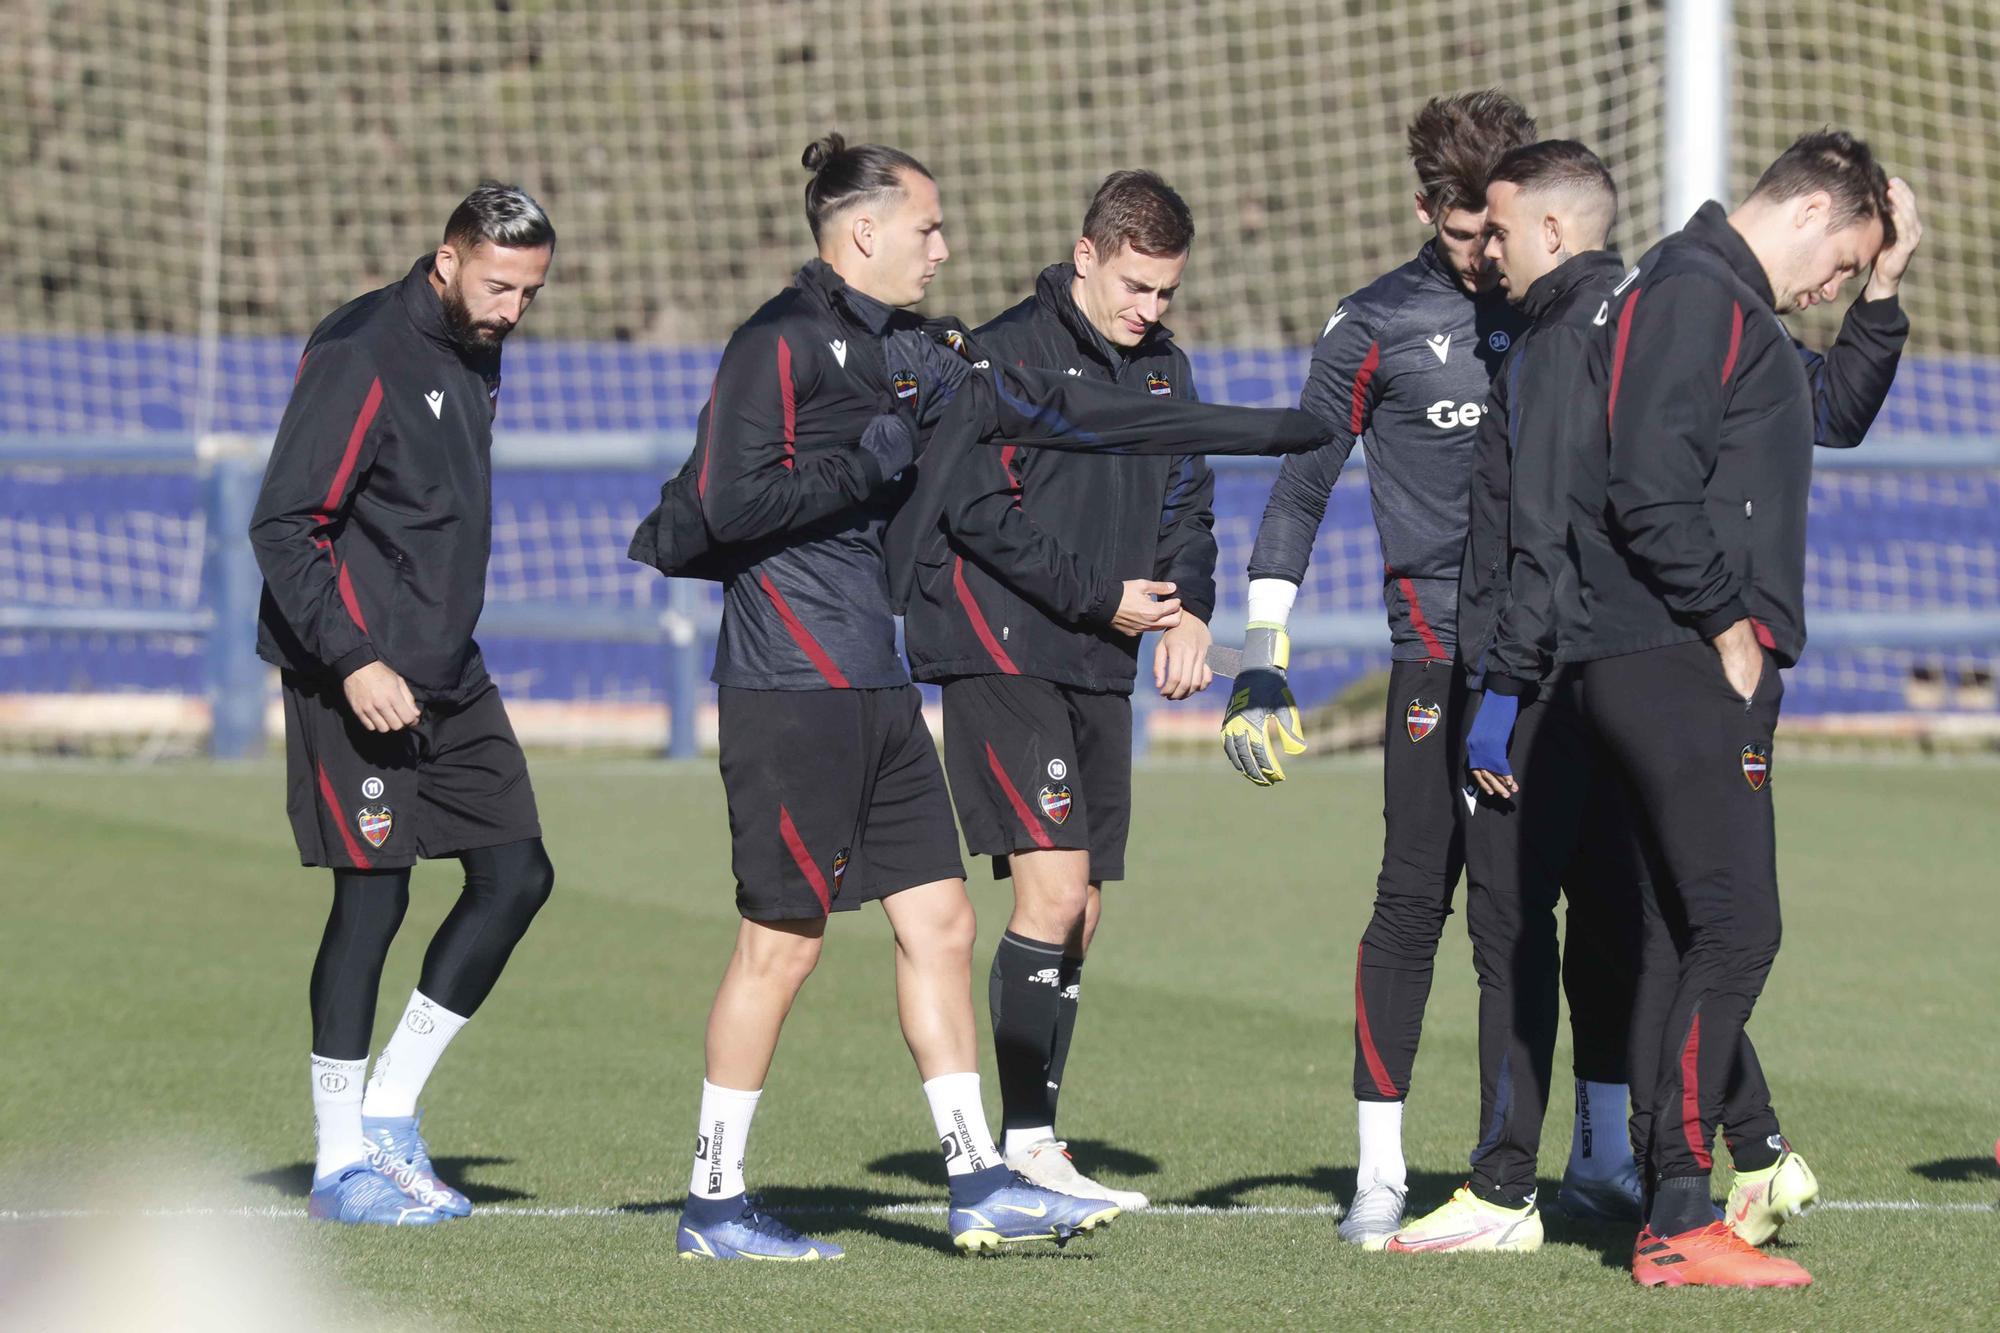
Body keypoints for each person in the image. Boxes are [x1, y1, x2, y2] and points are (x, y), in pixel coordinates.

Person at [667, 135, 1133, 1261]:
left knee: (941, 920)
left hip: (875, 681)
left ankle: (978, 1181)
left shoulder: (919, 348)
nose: (943, 244)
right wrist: (864, 462)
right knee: (780, 943)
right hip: (788, 683)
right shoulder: (775, 342)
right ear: (862, 231)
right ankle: (713, 1203)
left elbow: (986, 445)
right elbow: (727, 503)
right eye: (926, 225)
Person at [1565, 131, 1920, 1288]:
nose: (1831, 287)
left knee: (1683, 929)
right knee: (1736, 926)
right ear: (1810, 207)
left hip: (1672, 655)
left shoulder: (1733, 309)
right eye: (1843, 258)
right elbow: (1642, 480)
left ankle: (1679, 1203)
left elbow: (1835, 412)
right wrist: (1725, 623)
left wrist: (1886, 287)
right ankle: (1676, 1209)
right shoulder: (1689, 291)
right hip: (1672, 654)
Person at [1224, 90, 1535, 1246]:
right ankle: (1378, 1172)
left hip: (1549, 659)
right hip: (1435, 660)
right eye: (1463, 234)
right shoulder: (1374, 323)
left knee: (1553, 913)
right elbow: (1301, 481)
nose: (1482, 254)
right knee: (1412, 903)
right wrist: (1262, 655)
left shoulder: (1566, 310)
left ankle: (1582, 1149)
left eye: (1496, 229)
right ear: (1427, 211)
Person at [904, 170, 1217, 1210]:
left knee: (1081, 906)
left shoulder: (1165, 372)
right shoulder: (1000, 359)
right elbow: (978, 516)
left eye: (1165, 292)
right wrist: (1106, 597)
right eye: (1135, 285)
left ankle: (1032, 1130)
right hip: (1002, 650)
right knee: (1050, 889)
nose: (1149, 310)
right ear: (1085, 255)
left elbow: (1188, 501)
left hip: (1100, 657)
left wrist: (1190, 607)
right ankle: (1027, 1144)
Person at [248, 184, 559, 1226]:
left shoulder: (478, 343)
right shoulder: (363, 350)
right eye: (498, 284)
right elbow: (287, 524)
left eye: (529, 291)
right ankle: (341, 1165)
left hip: (446, 670)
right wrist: (353, 661)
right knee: (372, 896)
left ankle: (388, 1108)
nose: (512, 309)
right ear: (446, 257)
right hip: (356, 671)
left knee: (516, 874)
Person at [1385, 140, 1642, 1254]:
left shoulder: (1548, 346)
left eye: (1493, 232)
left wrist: (1494, 691)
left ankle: (1500, 1187)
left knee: (1504, 930)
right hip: (1626, 682)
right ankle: (1647, 1156)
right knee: (1646, 921)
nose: (1479, 254)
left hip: (1532, 688)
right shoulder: (1654, 321)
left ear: (1547, 230)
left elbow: (1528, 542)